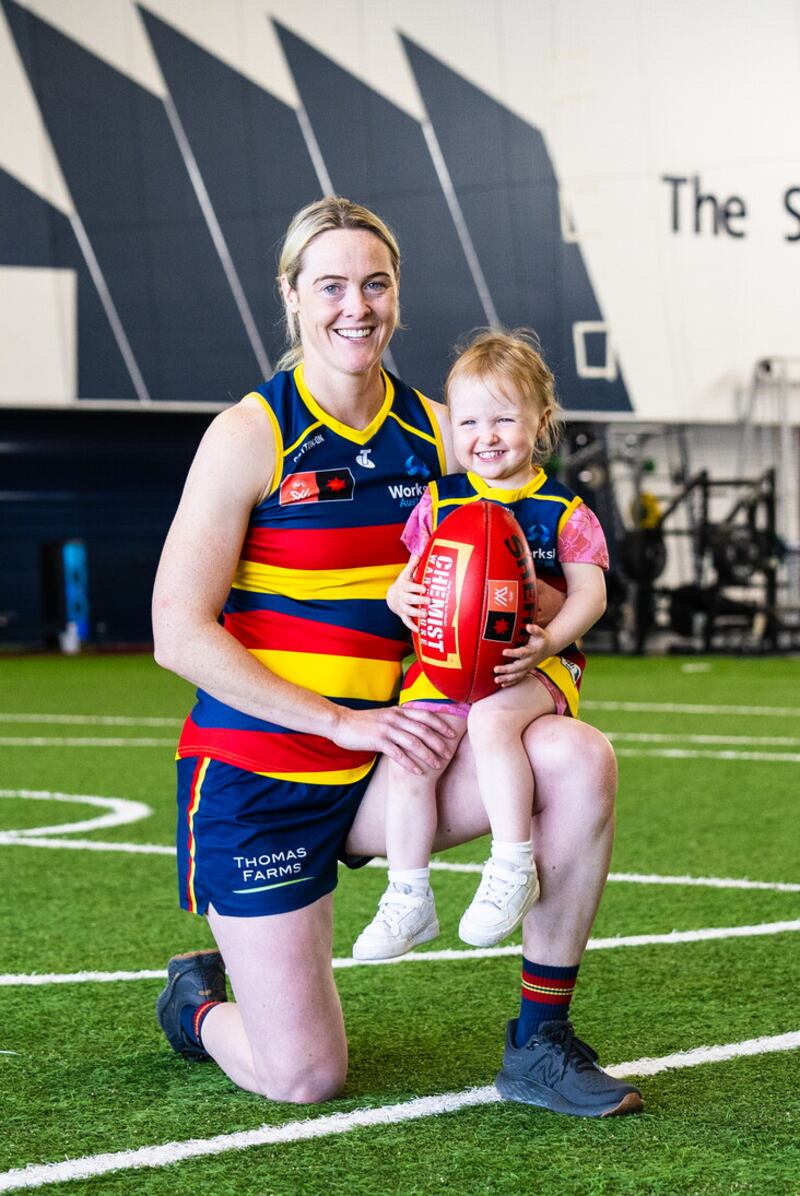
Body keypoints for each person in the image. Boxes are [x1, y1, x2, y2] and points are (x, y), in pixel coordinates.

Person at [152, 196, 643, 1118]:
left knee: (578, 758)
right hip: (267, 776)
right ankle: (197, 1005)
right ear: (292, 296)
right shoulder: (249, 434)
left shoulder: (443, 432)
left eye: (375, 284)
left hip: (398, 758)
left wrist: (532, 603)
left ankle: (539, 1043)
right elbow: (177, 629)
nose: (356, 306)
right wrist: (344, 720)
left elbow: (527, 560)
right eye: (330, 284)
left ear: (397, 296)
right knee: (305, 1076)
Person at [352, 330, 608, 962]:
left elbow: (591, 596)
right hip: (446, 664)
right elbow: (408, 582)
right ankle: (408, 894)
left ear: (541, 422)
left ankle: (512, 867)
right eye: (469, 420)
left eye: (504, 419)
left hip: (530, 668)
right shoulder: (439, 500)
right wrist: (400, 599)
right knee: (415, 753)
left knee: (495, 722)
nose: (485, 436)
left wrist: (550, 642)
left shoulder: (564, 510)